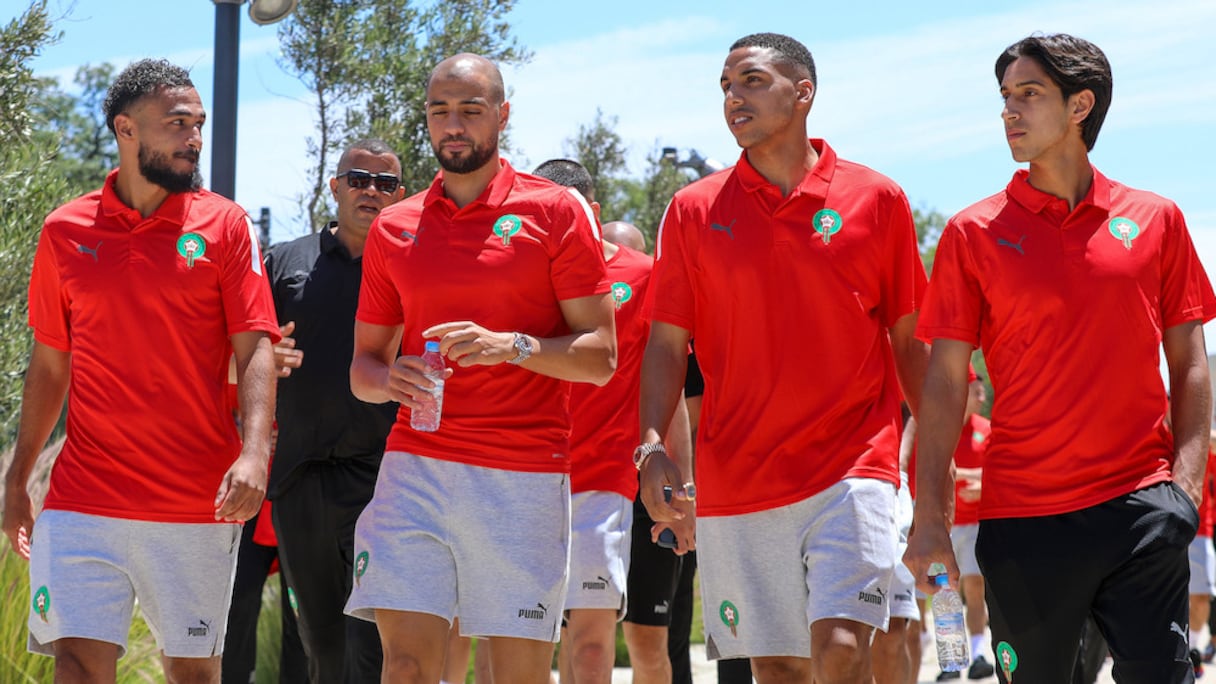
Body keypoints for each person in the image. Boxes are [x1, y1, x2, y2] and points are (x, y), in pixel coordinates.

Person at [905, 33, 1215, 684]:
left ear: (1081, 106)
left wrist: (1183, 487)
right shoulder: (972, 232)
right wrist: (929, 516)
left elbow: (1189, 360)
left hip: (1140, 506)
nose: (1009, 112)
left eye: (1029, 94)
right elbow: (944, 385)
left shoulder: (1156, 219)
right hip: (1023, 520)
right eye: (1005, 97)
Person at [637, 33, 929, 684]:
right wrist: (652, 445)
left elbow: (912, 341)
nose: (733, 97)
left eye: (751, 80)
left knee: (843, 650)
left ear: (804, 93)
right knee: (779, 669)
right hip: (738, 479)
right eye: (725, 86)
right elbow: (665, 344)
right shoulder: (692, 211)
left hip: (855, 468)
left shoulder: (877, 199)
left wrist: (935, 462)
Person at [2, 58, 279, 682]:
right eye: (177, 123)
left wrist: (255, 451)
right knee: (76, 662)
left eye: (199, 124)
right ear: (126, 129)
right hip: (83, 497)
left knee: (192, 672)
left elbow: (255, 345)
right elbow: (50, 363)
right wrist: (19, 476)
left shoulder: (224, 226)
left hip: (195, 499)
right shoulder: (64, 232)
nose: (194, 139)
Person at [345, 53, 616, 684]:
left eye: (471, 110)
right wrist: (391, 381)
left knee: (513, 675)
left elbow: (601, 356)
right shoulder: (394, 226)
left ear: (502, 115)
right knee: (407, 666)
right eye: (441, 111)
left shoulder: (554, 212)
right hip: (415, 467)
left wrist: (511, 346)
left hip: (520, 477)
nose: (454, 125)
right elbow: (362, 367)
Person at [533, 159, 693, 684]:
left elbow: (668, 395)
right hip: (522, 478)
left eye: (566, 214)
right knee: (519, 646)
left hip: (604, 480)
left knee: (593, 647)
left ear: (591, 214)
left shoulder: (643, 277)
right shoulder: (516, 277)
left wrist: (683, 492)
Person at [257, 138, 406, 682]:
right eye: (359, 178)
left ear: (399, 195)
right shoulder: (284, 261)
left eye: (384, 183)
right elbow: (236, 351)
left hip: (388, 480)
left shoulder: (412, 267)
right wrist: (259, 358)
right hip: (302, 477)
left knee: (377, 642)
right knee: (321, 643)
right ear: (335, 186)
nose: (371, 190)